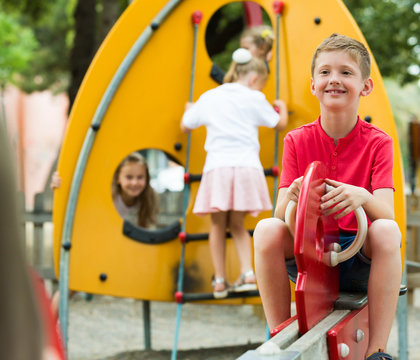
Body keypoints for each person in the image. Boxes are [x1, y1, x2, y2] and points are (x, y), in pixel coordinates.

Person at [253, 33, 401, 360]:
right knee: (265, 229)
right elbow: (280, 216)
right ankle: (281, 338)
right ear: (313, 85)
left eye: (346, 72)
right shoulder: (296, 140)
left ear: (365, 86)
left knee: (387, 231)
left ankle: (378, 350)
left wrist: (361, 196)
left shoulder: (379, 143)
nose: (334, 79)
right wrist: (292, 196)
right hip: (311, 256)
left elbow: (387, 214)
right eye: (325, 72)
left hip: (358, 257)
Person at [181, 48, 288, 298]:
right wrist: (281, 107)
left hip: (217, 167)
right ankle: (248, 273)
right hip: (246, 167)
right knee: (238, 225)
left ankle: (219, 280)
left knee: (217, 226)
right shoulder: (255, 98)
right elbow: (278, 124)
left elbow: (185, 125)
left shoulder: (210, 97)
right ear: (253, 79)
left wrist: (190, 108)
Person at [50, 152, 159, 318]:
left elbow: (142, 229)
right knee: (71, 285)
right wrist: (58, 185)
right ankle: (49, 325)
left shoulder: (145, 201)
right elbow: (77, 197)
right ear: (118, 179)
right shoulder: (109, 195)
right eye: (129, 177)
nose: (135, 182)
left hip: (114, 246)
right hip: (90, 240)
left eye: (140, 177)